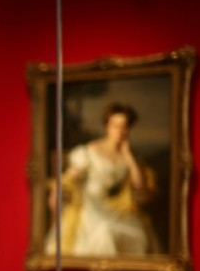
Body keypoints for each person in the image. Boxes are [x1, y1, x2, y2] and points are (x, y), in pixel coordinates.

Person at [45, 102, 158, 256]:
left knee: (138, 236)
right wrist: (58, 191)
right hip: (91, 207)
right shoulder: (90, 151)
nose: (120, 131)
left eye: (124, 126)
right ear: (107, 127)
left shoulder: (130, 156)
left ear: (129, 128)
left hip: (118, 211)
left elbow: (139, 187)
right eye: (115, 125)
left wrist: (129, 156)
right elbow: (70, 178)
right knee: (104, 231)